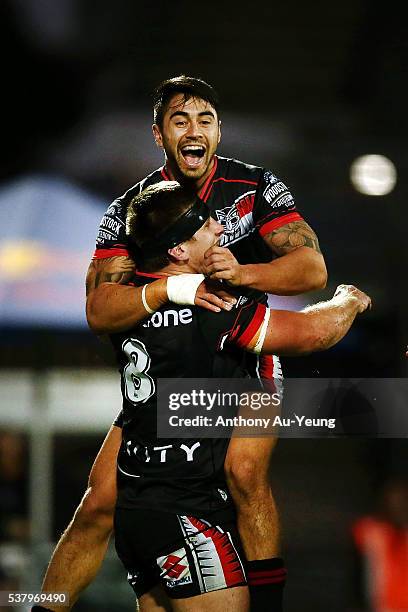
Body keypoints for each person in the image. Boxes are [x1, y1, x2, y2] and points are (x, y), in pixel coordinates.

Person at [35, 75, 328, 612]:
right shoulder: (132, 209)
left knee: (243, 474)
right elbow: (99, 311)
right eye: (179, 120)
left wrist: (243, 273)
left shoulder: (255, 187)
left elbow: (311, 269)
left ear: (218, 131)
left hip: (245, 359)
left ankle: (267, 604)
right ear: (158, 135)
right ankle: (41, 605)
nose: (194, 130)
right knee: (99, 503)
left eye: (205, 120)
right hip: (169, 378)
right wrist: (172, 288)